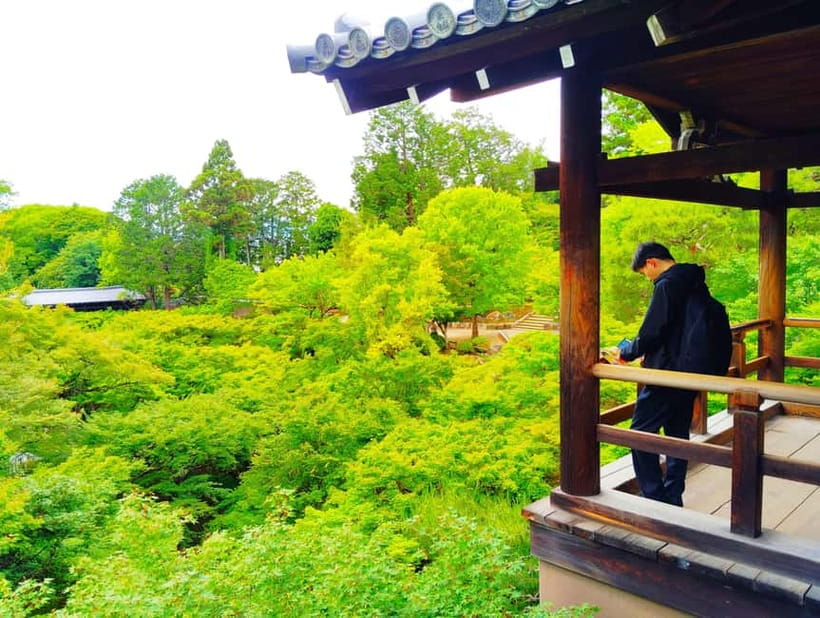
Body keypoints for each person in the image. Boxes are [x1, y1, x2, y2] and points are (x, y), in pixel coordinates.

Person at [616, 241, 713, 507]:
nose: (647, 278)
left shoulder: (667, 284)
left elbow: (652, 331)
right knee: (677, 435)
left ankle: (653, 497)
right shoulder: (693, 281)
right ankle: (672, 495)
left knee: (639, 433)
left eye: (643, 272)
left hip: (667, 374)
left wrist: (626, 352)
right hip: (690, 372)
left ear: (651, 263)